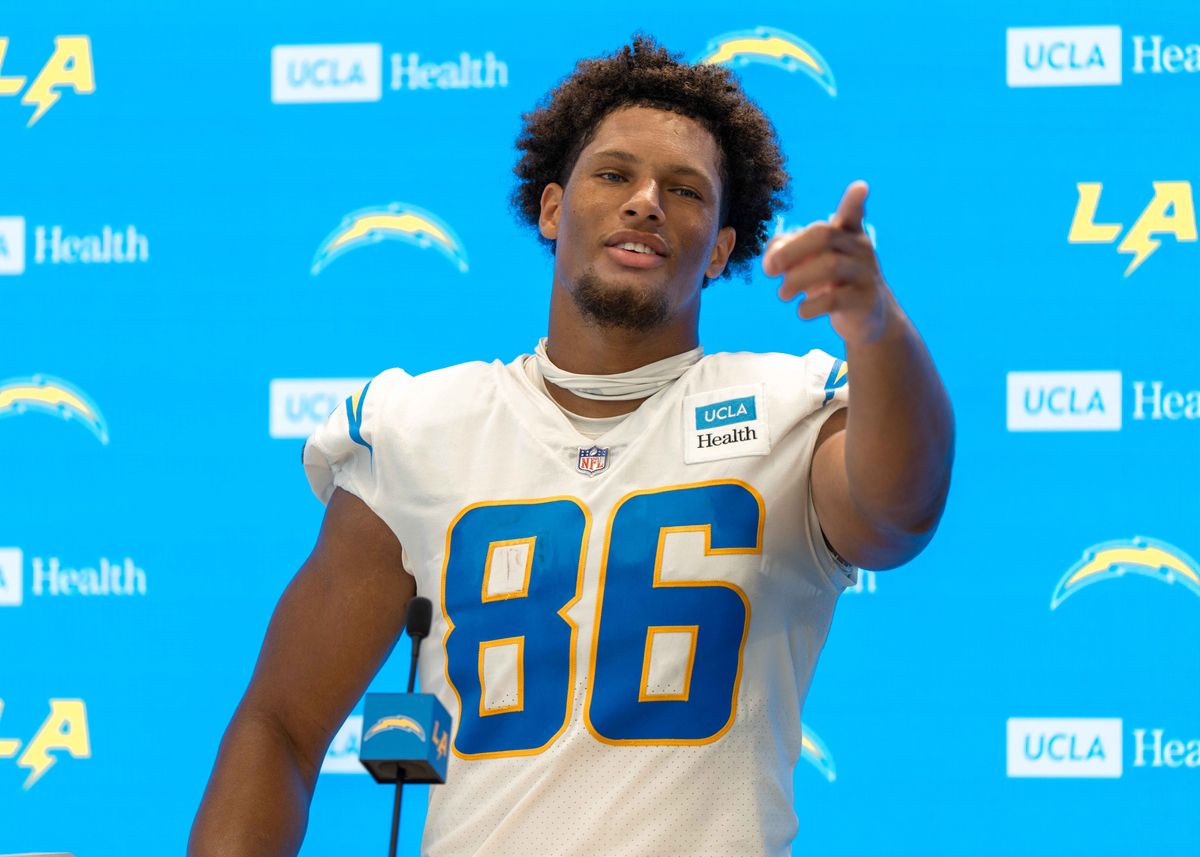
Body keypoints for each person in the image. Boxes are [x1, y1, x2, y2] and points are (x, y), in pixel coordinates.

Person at [189, 36, 953, 857]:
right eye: (615, 174)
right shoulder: (421, 427)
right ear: (554, 208)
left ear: (724, 248)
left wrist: (878, 329)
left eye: (687, 190)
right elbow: (282, 723)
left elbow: (897, 517)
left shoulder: (786, 407)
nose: (647, 202)